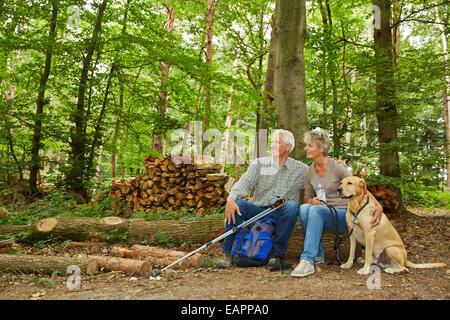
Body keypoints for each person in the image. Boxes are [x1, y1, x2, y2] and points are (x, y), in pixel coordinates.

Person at [291, 128, 383, 277]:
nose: (305, 148)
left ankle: (307, 260)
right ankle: (318, 254)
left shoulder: (337, 167)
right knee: (304, 208)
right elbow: (307, 198)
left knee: (314, 210)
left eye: (310, 146)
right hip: (325, 214)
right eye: (306, 145)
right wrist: (311, 200)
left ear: (321, 148)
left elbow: (358, 185)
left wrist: (378, 205)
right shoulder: (308, 172)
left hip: (345, 215)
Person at [218, 129, 308, 269]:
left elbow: (320, 174)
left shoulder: (300, 168)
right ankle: (227, 253)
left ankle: (276, 255)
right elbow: (244, 184)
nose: (272, 145)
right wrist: (231, 199)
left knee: (292, 206)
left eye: (277, 142)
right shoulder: (259, 163)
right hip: (257, 210)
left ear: (288, 147)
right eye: (272, 142)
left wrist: (339, 166)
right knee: (238, 204)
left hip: (280, 212)